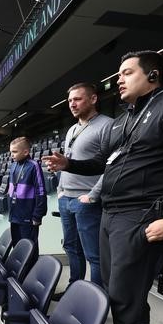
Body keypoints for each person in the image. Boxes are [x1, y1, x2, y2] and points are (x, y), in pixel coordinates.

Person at [42, 51, 163, 324]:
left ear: (152, 76)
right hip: (111, 214)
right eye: (119, 74)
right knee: (116, 293)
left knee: (126, 296)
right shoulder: (124, 119)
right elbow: (102, 162)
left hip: (143, 214)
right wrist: (68, 163)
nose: (118, 79)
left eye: (127, 73)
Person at [57, 83, 113, 290]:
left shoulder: (107, 125)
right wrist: (61, 191)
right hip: (66, 199)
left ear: (93, 99)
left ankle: (94, 299)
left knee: (93, 254)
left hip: (86, 200)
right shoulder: (72, 128)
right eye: (70, 100)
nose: (72, 104)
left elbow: (111, 165)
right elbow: (69, 162)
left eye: (78, 99)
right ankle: (74, 290)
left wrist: (93, 195)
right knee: (71, 248)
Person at [7, 137, 47, 253]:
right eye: (11, 152)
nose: (12, 155)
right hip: (14, 215)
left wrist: (37, 215)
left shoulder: (34, 166)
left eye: (15, 152)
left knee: (30, 250)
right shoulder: (13, 165)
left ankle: (32, 271)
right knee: (17, 248)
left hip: (28, 216)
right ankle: (21, 272)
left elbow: (41, 191)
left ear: (25, 152)